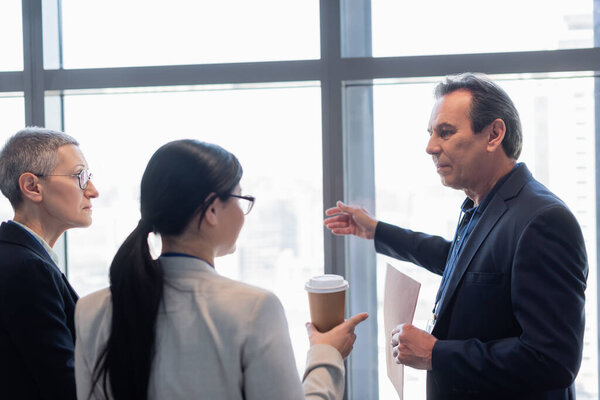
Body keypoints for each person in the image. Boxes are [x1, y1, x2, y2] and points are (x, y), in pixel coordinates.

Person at [324, 73, 588, 399]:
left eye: (445, 133)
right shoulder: (483, 204)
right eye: (432, 133)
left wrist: (436, 353)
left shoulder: (544, 220)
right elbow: (462, 264)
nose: (430, 147)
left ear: (494, 134)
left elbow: (552, 360)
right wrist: (377, 231)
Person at [74, 139, 368, 400]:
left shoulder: (90, 310)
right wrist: (327, 354)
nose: (243, 214)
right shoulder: (252, 309)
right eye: (241, 199)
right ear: (212, 209)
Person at [0, 127, 99, 400]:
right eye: (80, 176)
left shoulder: (18, 257)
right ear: (32, 186)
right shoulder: (27, 268)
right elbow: (64, 385)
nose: (93, 191)